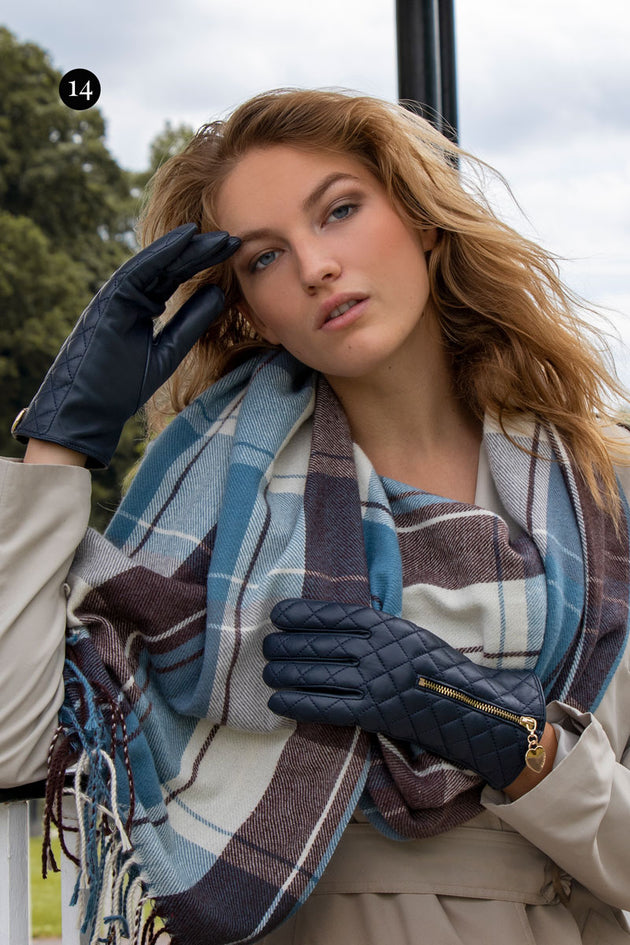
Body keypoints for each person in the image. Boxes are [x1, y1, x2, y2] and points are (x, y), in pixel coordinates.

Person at [1, 88, 629, 945]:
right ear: (248, 309)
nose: (314, 266)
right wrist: (60, 443)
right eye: (263, 258)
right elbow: (16, 739)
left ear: (422, 217)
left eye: (338, 211)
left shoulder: (603, 492)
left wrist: (512, 738)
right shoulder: (214, 502)